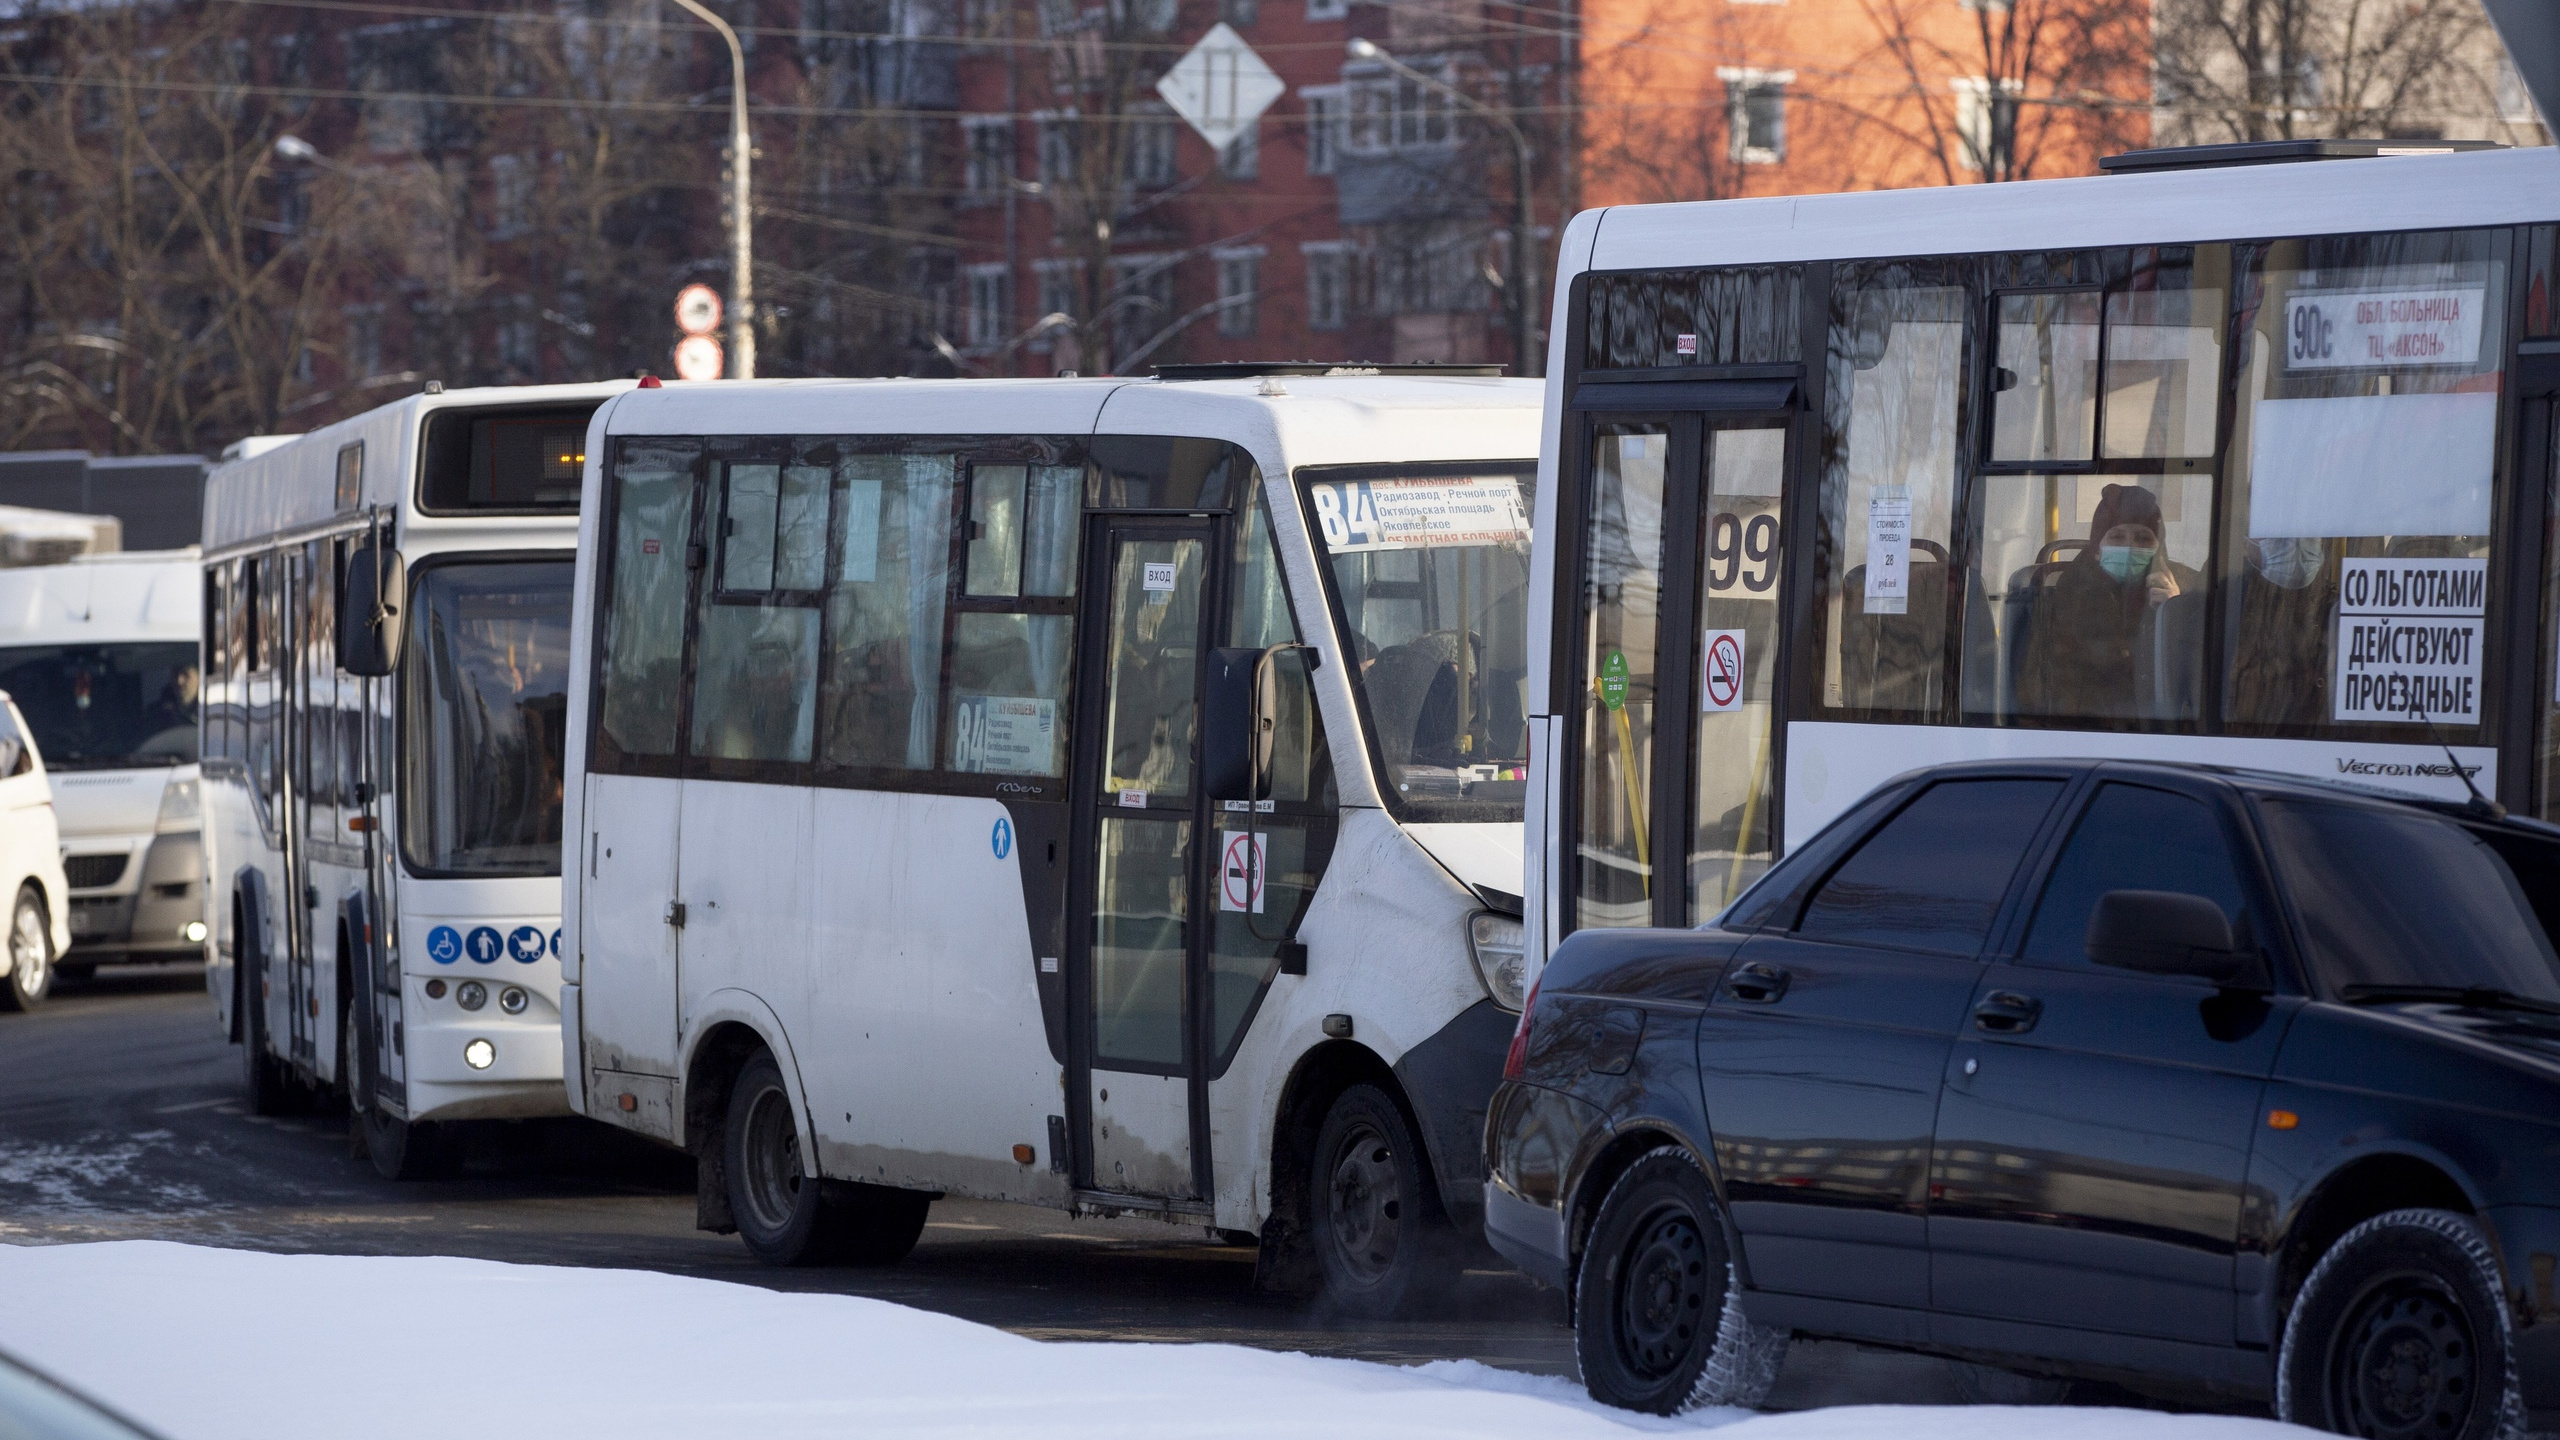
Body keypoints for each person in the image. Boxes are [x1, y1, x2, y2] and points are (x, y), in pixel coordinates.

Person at [2017, 483, 2204, 719]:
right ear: (2097, 548)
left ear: (2159, 549)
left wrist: (2174, 611)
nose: (2129, 546)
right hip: (2091, 726)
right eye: (2117, 536)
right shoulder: (2069, 595)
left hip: (2165, 726)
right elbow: (2046, 684)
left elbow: (2199, 676)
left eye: (2143, 538)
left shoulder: (2189, 587)